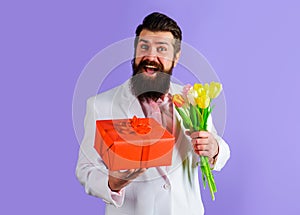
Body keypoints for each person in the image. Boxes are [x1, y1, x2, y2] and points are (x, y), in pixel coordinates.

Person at [76, 12, 230, 215]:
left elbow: (218, 146)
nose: (150, 56)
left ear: (176, 57)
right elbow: (85, 169)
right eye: (144, 47)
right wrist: (111, 183)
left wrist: (215, 149)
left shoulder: (193, 99)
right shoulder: (100, 106)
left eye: (162, 49)